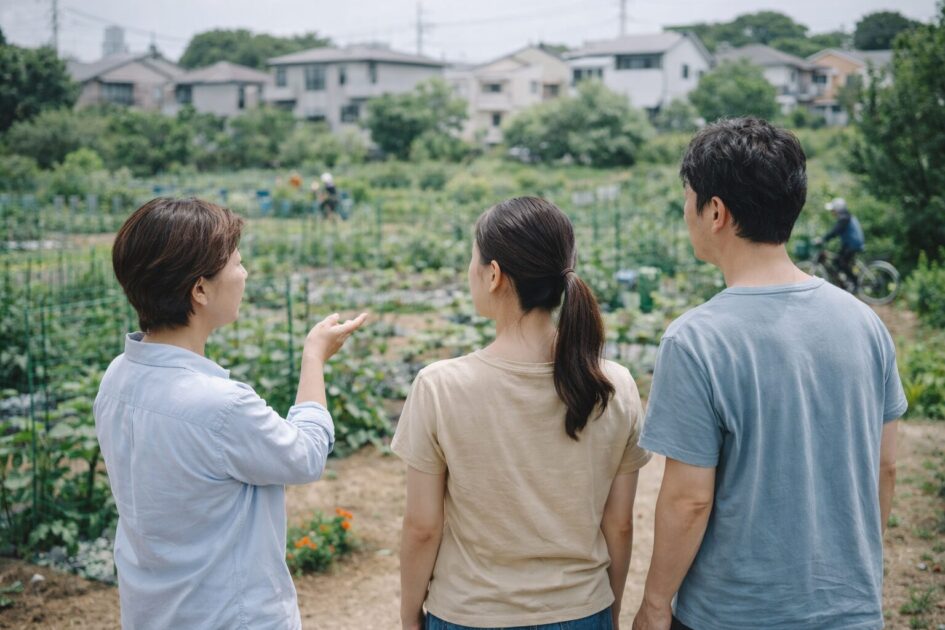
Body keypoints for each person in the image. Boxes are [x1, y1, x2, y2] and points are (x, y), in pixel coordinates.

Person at [632, 118, 905, 630]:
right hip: (850, 609)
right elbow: (884, 466)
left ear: (715, 211)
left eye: (688, 199)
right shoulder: (865, 323)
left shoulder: (695, 340)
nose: (686, 212)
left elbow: (689, 499)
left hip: (734, 614)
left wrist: (654, 604)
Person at [94, 197, 367, 629]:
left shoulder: (117, 377)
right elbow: (306, 455)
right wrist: (314, 358)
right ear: (200, 290)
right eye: (237, 263)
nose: (244, 274)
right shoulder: (220, 406)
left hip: (154, 613)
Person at [393, 197, 650, 630]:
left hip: (469, 614)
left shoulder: (439, 386)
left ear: (493, 274)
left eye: (472, 259)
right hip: (581, 611)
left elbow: (422, 527)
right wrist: (610, 609)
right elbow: (619, 525)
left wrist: (409, 615)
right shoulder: (615, 384)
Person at [817, 197, 865, 291]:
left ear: (838, 209)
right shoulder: (846, 217)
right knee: (836, 261)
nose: (832, 212)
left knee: (842, 262)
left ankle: (855, 283)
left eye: (833, 210)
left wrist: (823, 239)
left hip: (852, 244)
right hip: (849, 243)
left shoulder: (844, 218)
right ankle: (845, 283)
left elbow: (835, 231)